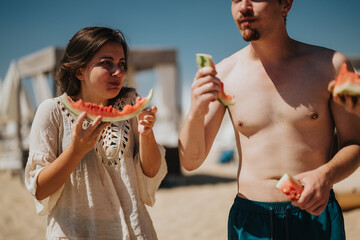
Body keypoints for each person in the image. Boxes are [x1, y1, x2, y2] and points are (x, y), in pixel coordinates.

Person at [178, 0, 360, 239]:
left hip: (316, 216)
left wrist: (326, 175)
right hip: (251, 219)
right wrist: (195, 110)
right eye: (235, 0)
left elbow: (355, 142)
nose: (243, 6)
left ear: (285, 4)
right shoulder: (223, 74)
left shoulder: (333, 65)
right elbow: (190, 161)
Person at [25, 26, 167, 239]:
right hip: (75, 232)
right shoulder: (52, 111)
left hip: (133, 230)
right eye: (106, 63)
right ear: (79, 70)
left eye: (122, 64)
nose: (118, 72)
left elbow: (151, 171)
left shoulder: (131, 104)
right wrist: (75, 152)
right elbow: (40, 190)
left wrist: (146, 133)